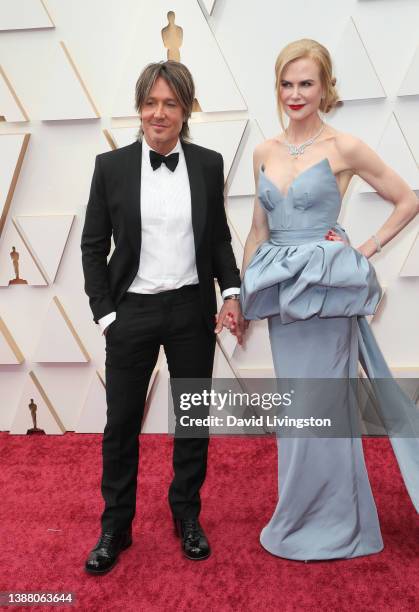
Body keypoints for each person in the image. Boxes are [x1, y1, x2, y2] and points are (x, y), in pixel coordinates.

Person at [240, 39, 419, 561]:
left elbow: (408, 198)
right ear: (278, 87)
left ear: (325, 87)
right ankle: (297, 514)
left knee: (324, 405)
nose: (295, 94)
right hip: (283, 301)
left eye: (306, 84)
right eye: (287, 84)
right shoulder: (263, 151)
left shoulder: (345, 147)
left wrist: (365, 247)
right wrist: (245, 296)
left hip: (326, 294)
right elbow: (257, 230)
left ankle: (339, 520)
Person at [81, 60, 244, 574]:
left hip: (191, 310)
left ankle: (186, 516)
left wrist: (232, 291)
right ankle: (115, 527)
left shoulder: (208, 163)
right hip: (131, 311)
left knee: (192, 420)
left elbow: (217, 237)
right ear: (139, 108)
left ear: (186, 109)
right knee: (121, 423)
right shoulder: (110, 167)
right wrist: (106, 314)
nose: (158, 112)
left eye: (170, 103)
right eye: (150, 102)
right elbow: (92, 246)